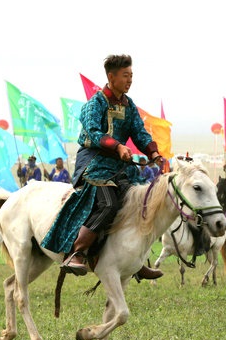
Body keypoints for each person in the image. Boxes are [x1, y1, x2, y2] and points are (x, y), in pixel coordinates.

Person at [40, 54, 165, 279]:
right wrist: (118, 146)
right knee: (108, 204)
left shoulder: (129, 105)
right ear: (111, 77)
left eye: (131, 75)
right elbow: (94, 133)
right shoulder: (94, 104)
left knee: (140, 202)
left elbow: (139, 132)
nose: (130, 80)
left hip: (120, 165)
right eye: (125, 75)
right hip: (94, 162)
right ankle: (77, 252)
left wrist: (153, 153)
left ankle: (135, 260)